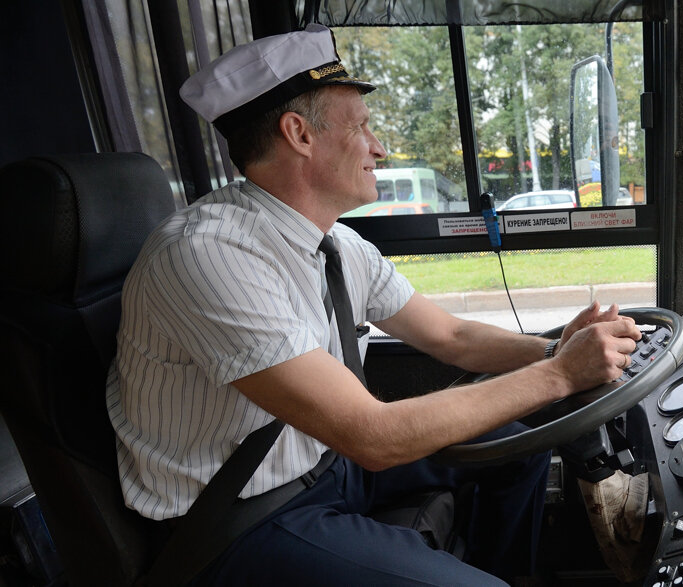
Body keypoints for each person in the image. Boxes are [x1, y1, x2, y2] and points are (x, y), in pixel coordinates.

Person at [105, 24, 642, 585]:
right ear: (299, 134)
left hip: (325, 465)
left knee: (520, 444)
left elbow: (450, 338)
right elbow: (373, 436)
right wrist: (559, 373)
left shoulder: (336, 243)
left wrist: (556, 350)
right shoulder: (207, 256)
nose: (379, 146)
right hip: (240, 519)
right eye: (361, 126)